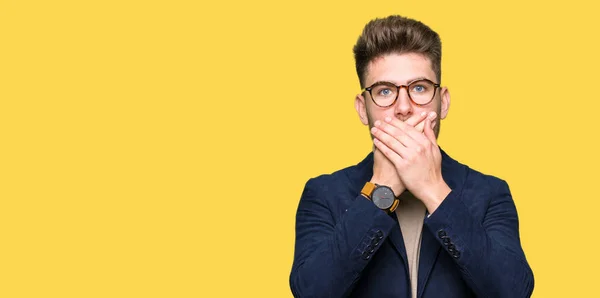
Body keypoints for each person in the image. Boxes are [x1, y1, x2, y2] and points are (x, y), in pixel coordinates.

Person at [289, 15, 534, 298]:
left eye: (419, 88)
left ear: (443, 102)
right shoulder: (323, 194)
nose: (403, 107)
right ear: (362, 108)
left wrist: (434, 189)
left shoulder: (491, 193)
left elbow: (514, 292)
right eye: (384, 91)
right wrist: (381, 191)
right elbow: (311, 292)